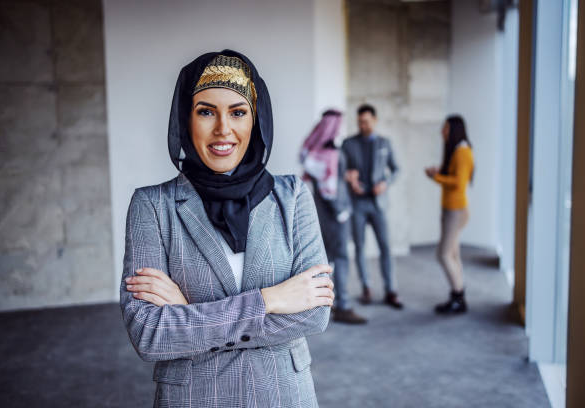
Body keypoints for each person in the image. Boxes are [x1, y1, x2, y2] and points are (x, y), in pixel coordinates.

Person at [120, 50, 333, 408]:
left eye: (238, 112)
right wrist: (271, 300)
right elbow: (150, 334)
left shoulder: (293, 196)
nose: (223, 129)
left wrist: (189, 313)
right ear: (186, 119)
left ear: (256, 119)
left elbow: (314, 314)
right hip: (194, 398)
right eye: (206, 111)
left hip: (282, 395)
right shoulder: (151, 206)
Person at [300, 109, 368, 324]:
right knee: (340, 258)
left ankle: (320, 304)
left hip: (321, 214)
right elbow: (331, 189)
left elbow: (324, 181)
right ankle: (343, 305)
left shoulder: (315, 151)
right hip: (336, 214)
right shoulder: (332, 154)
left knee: (324, 259)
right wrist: (342, 211)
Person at [341, 104, 402, 309]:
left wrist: (386, 183)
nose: (363, 125)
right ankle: (366, 287)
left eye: (366, 121)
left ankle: (391, 290)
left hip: (379, 203)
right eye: (360, 122)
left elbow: (396, 169)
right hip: (357, 203)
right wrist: (350, 179)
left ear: (374, 120)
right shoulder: (348, 144)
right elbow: (340, 170)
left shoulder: (385, 143)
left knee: (385, 246)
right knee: (359, 247)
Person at [425, 115, 474, 314]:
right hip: (451, 209)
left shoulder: (462, 152)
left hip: (456, 211)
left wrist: (436, 176)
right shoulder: (456, 151)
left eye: (445, 129)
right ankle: (458, 294)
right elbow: (454, 178)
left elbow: (458, 183)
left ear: (454, 130)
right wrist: (439, 174)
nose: (442, 132)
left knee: (444, 255)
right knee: (453, 254)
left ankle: (458, 296)